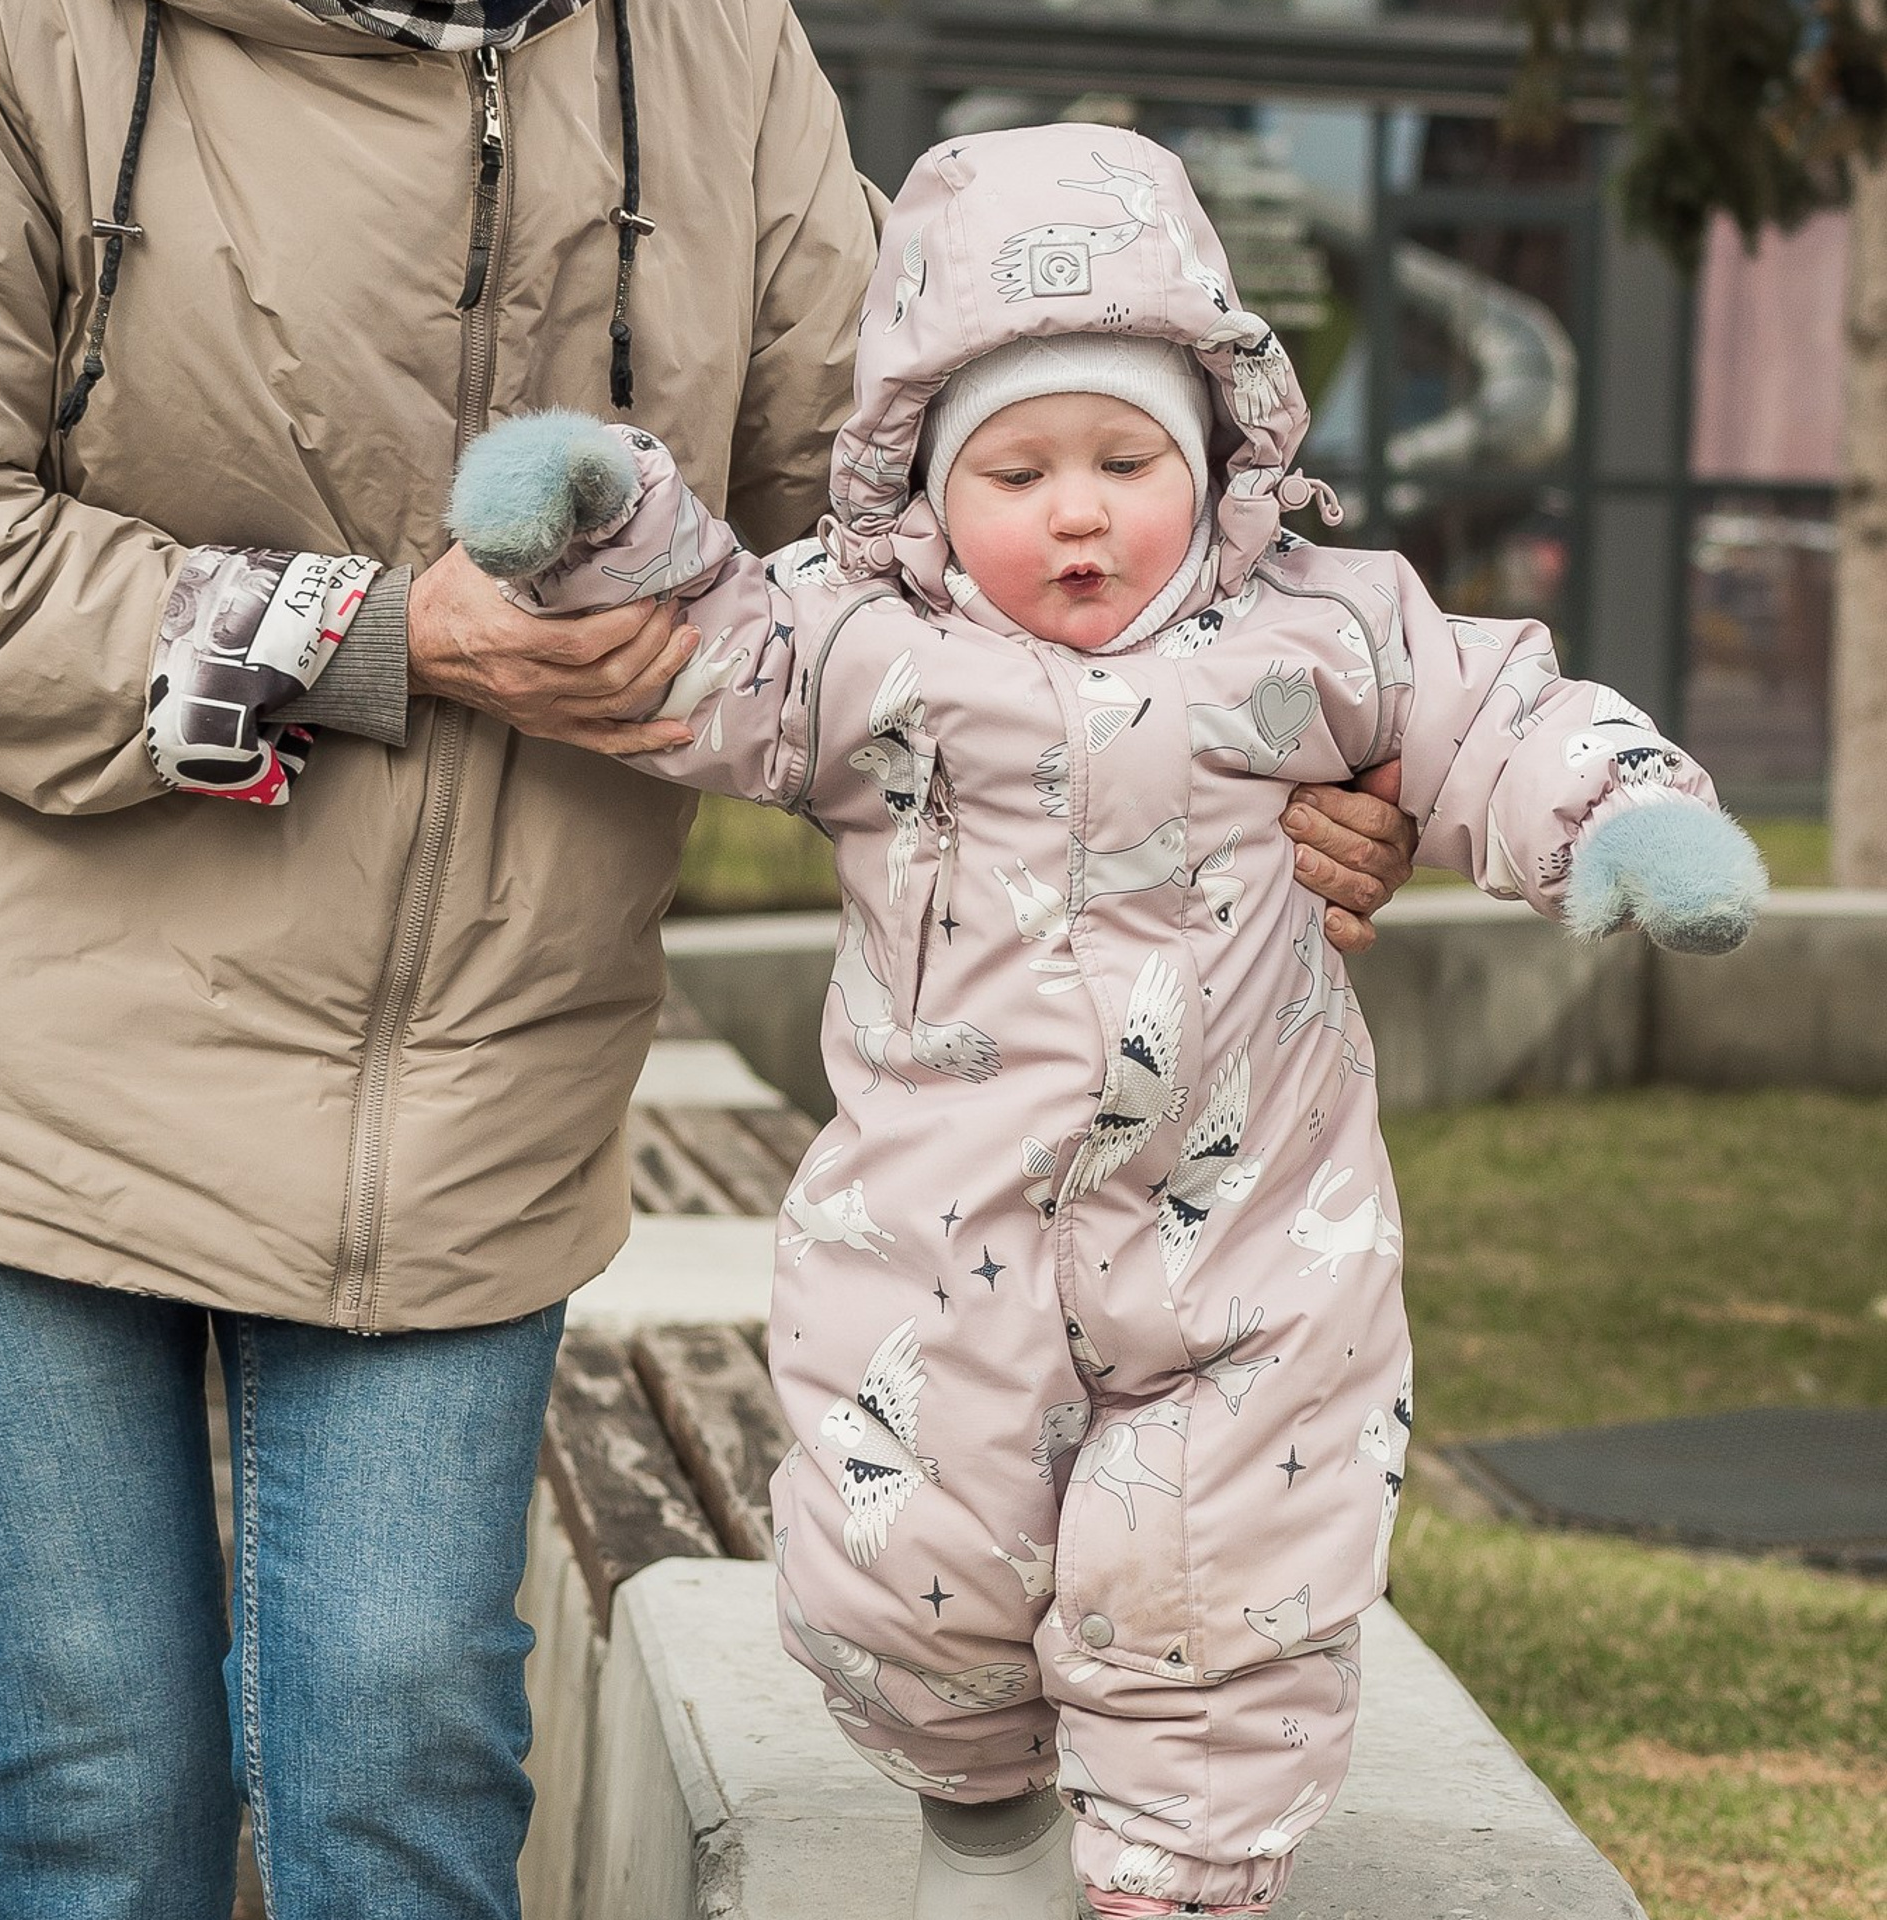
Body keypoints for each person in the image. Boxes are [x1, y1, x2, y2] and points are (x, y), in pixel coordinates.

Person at [0, 8, 1409, 1918]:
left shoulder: (716, 50)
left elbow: (927, 513)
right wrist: (369, 635)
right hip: (41, 1072)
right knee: (91, 1779)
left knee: (398, 1768)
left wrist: (1286, 732)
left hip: (488, 1076)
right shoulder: (27, 38)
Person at [450, 122, 1766, 1919]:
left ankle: (1173, 1877)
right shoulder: (863, 647)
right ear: (924, 488)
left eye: (1126, 458)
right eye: (1020, 468)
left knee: (1212, 1581)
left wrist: (1627, 819)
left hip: (1247, 1253)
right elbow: (710, 652)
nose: (1078, 510)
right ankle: (987, 1820)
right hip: (938, 1240)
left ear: (1217, 456)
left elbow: (1499, 716)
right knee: (902, 1571)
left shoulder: (1320, 621)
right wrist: (596, 524)